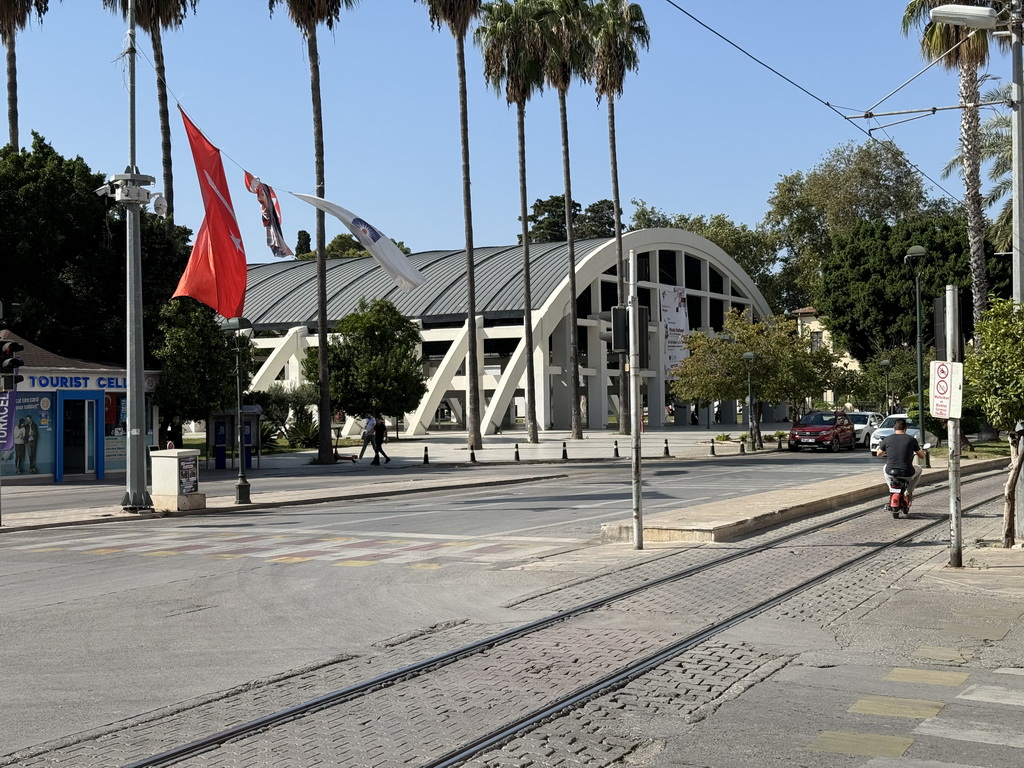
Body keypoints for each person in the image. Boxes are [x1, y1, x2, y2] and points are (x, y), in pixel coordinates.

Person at [875, 418, 926, 504]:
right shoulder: (911, 440)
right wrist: (923, 453)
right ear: (905, 429)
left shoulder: (887, 439)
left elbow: (879, 454)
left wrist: (887, 452)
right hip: (907, 473)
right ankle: (908, 492)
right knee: (919, 469)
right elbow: (921, 456)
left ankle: (891, 488)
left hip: (891, 472)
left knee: (884, 467)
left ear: (894, 428)